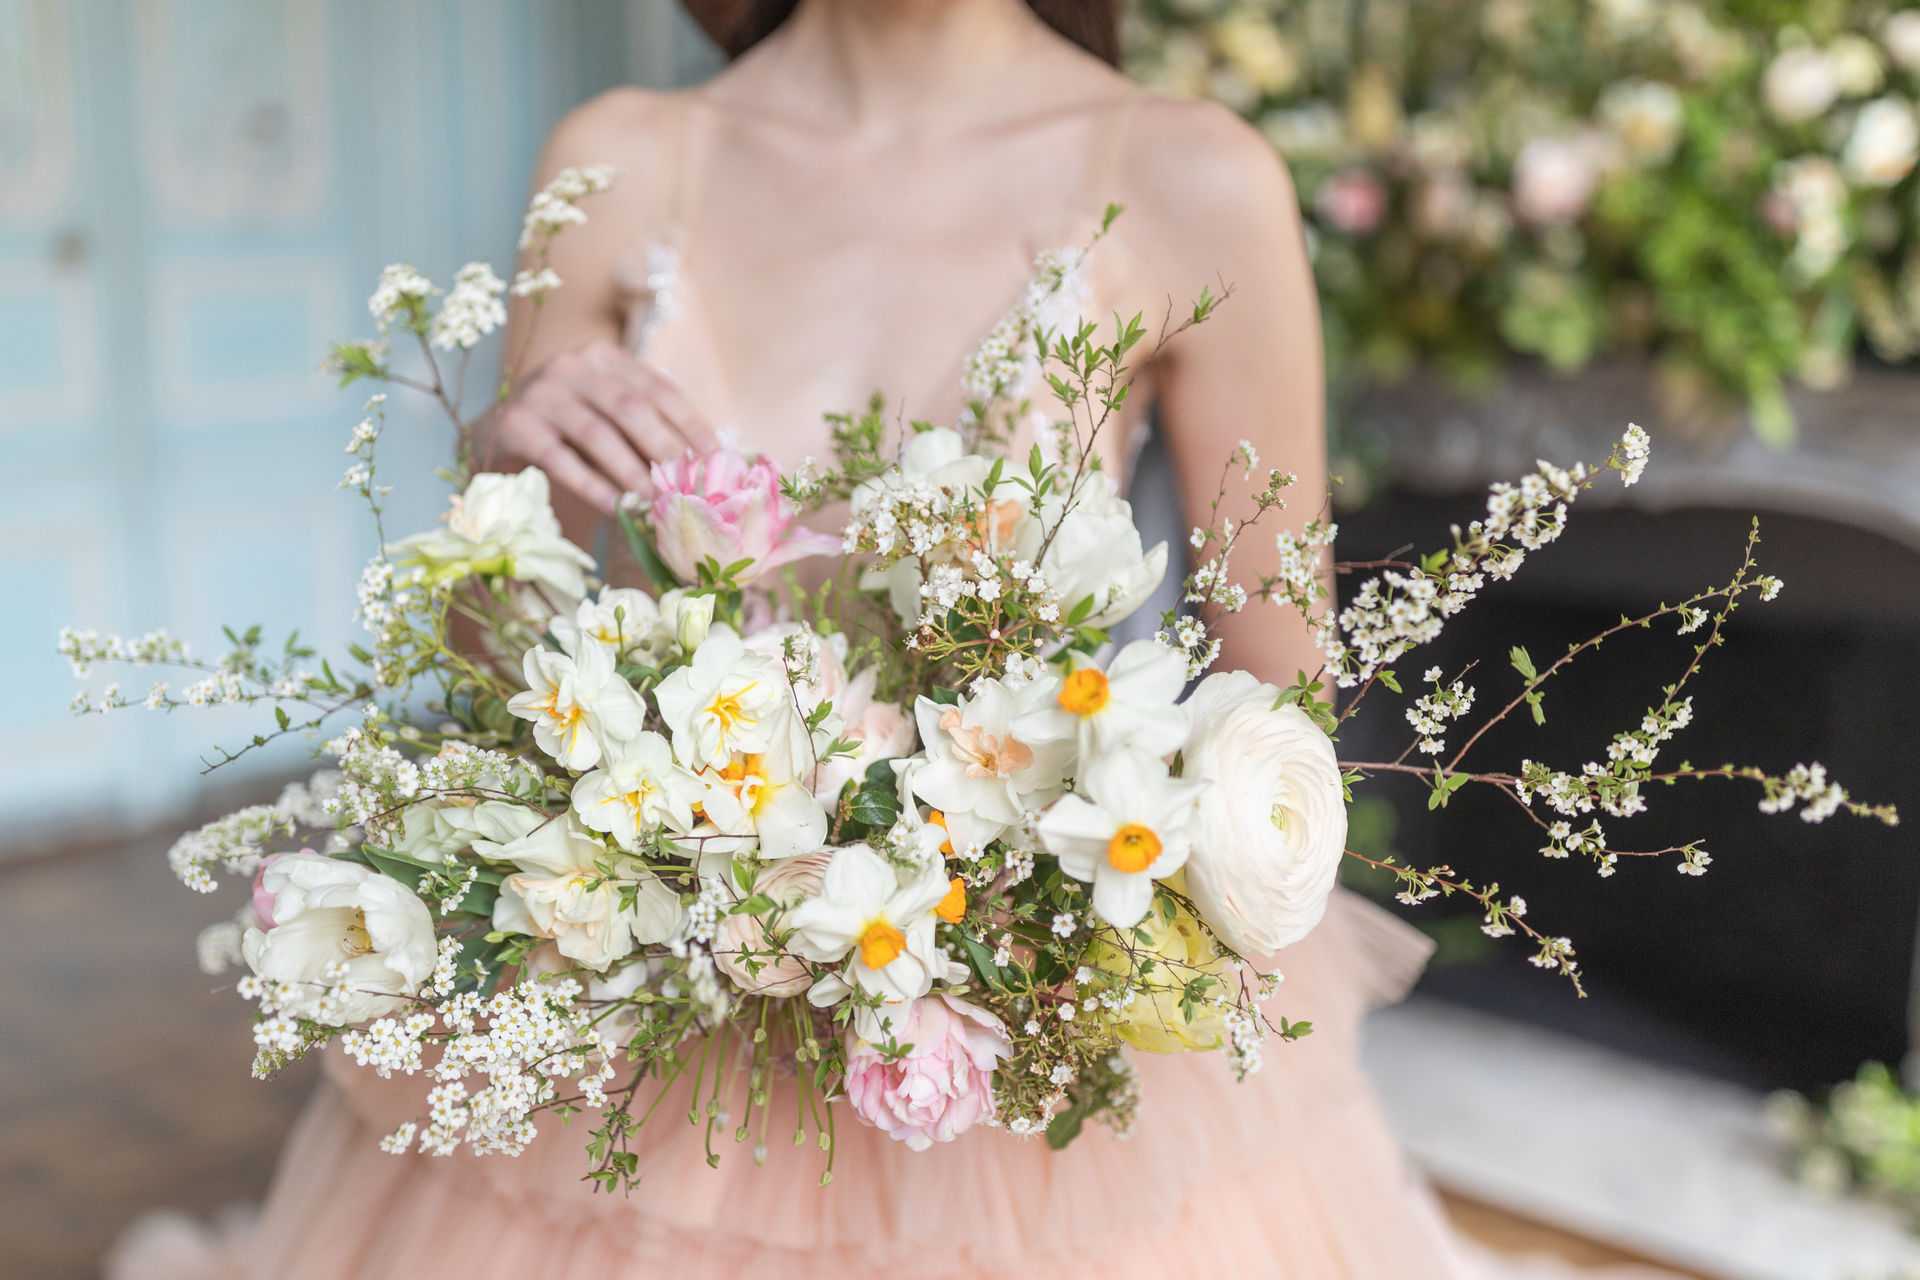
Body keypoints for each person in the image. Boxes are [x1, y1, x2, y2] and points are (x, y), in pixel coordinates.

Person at [111, 2, 1615, 1275]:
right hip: (652, 997)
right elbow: (501, 665)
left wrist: (1027, 889)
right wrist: (505, 473)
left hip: (1028, 1042)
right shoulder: (629, 158)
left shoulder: (1186, 174)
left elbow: (1279, 688)